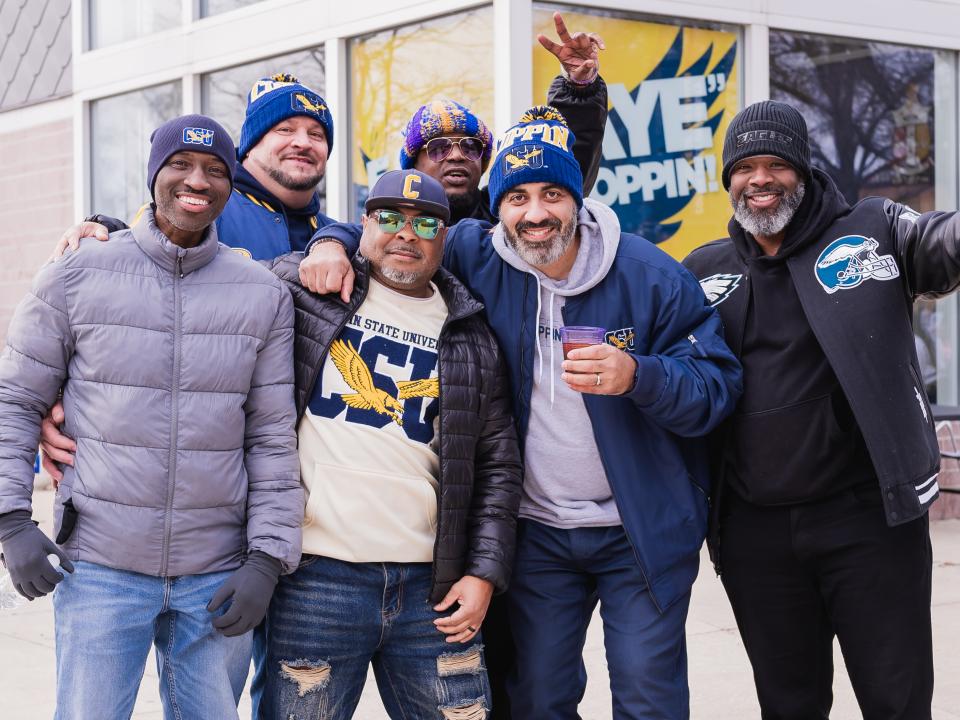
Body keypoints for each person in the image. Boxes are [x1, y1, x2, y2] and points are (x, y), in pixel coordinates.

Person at [305, 107, 742, 719]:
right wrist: (330, 241)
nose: (535, 214)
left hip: (638, 528)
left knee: (648, 697)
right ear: (497, 207)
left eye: (552, 194)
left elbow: (717, 388)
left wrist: (641, 375)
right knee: (537, 698)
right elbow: (398, 233)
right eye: (516, 198)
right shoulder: (475, 254)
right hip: (536, 531)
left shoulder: (651, 276)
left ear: (578, 199)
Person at [0, 114, 303, 719]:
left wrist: (268, 560)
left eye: (216, 170)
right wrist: (10, 521)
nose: (199, 180)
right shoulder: (77, 272)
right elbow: (16, 400)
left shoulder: (261, 293)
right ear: (153, 175)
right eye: (181, 165)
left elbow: (271, 436)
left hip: (216, 574)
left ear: (230, 185)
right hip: (101, 568)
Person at [682, 100, 955, 720]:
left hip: (868, 526)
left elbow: (939, 242)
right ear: (728, 179)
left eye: (776, 164)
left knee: (897, 701)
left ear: (802, 171)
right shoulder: (702, 272)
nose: (760, 179)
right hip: (755, 538)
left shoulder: (874, 231)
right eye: (744, 166)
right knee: (789, 706)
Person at [259, 168, 522, 718]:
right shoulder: (304, 289)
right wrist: (104, 227)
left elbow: (498, 467)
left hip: (434, 589)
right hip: (316, 580)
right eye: (390, 218)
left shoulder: (471, 332)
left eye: (426, 221)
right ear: (363, 225)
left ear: (444, 236)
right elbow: (196, 282)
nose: (407, 233)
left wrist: (483, 573)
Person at [297, 11, 608, 299]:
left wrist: (579, 90)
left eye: (471, 147)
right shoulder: (395, 232)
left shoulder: (509, 217)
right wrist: (329, 244)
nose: (457, 155)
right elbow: (358, 232)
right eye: (439, 147)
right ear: (413, 165)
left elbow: (562, 168)